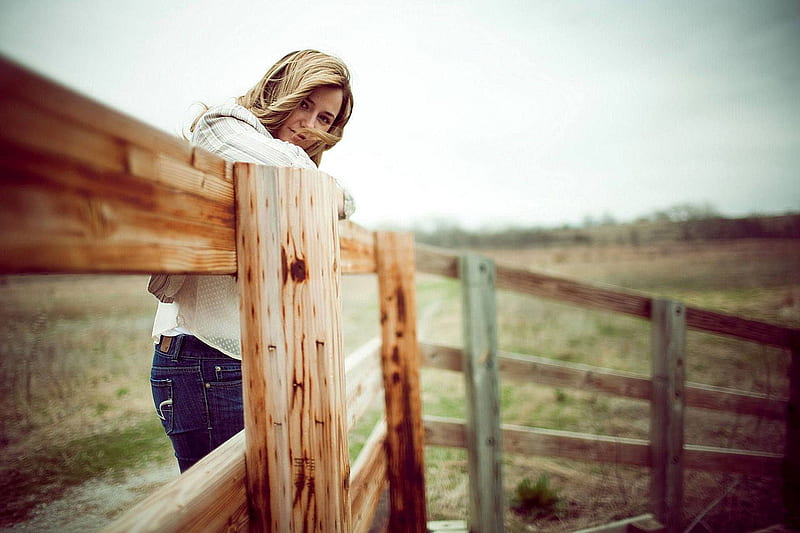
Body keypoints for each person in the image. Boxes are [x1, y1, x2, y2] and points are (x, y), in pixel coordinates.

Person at [147, 49, 355, 472]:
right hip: (205, 357)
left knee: (267, 499)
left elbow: (346, 200)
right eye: (304, 104)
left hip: (254, 355)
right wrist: (319, 183)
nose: (308, 126)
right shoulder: (221, 126)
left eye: (325, 120)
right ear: (280, 88)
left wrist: (321, 185)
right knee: (223, 511)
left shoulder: (288, 164)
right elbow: (313, 185)